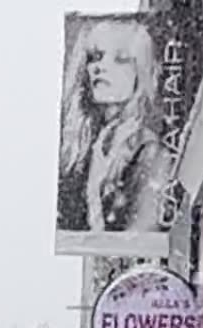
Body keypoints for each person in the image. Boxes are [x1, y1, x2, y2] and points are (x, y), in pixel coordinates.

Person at [58, 14, 169, 240]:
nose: (100, 67)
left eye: (120, 58)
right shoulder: (83, 149)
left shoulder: (148, 150)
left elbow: (142, 234)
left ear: (141, 70)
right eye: (95, 57)